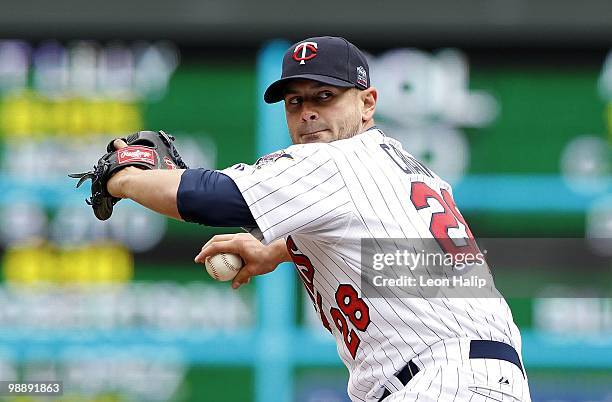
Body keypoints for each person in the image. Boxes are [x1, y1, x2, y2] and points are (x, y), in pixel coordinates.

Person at [106, 36, 531, 401]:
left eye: (325, 96)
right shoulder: (396, 165)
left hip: (443, 380)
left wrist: (123, 179)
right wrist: (279, 250)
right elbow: (400, 261)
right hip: (476, 377)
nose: (308, 111)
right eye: (296, 101)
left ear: (368, 104)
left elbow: (210, 199)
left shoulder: (336, 160)